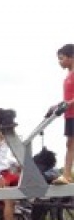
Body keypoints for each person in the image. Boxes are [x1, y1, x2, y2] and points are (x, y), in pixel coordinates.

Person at [48, 44, 74, 184]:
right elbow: (67, 98)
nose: (60, 62)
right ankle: (67, 175)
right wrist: (58, 105)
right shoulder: (68, 75)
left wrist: (70, 103)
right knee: (70, 144)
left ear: (71, 57)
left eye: (62, 58)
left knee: (71, 144)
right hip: (69, 115)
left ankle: (67, 174)